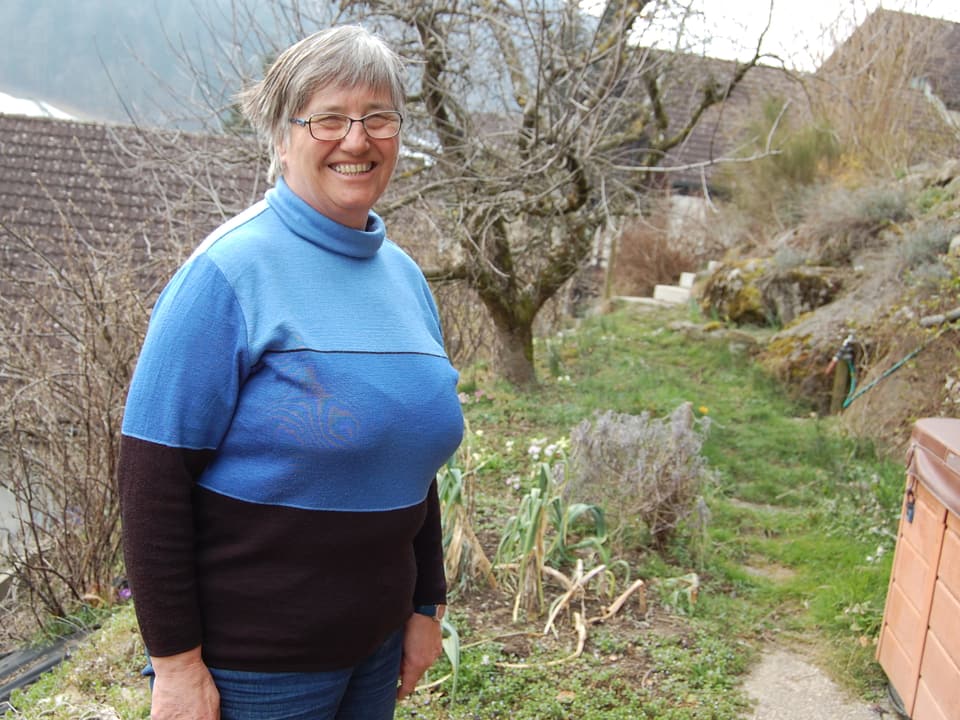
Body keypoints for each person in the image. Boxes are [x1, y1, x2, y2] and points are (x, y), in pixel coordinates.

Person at [118, 25, 464, 720]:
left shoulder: (404, 280)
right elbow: (151, 479)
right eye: (328, 118)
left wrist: (426, 604)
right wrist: (176, 666)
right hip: (257, 667)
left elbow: (408, 458)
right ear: (282, 138)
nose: (356, 140)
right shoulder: (227, 274)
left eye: (379, 118)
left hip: (375, 648)